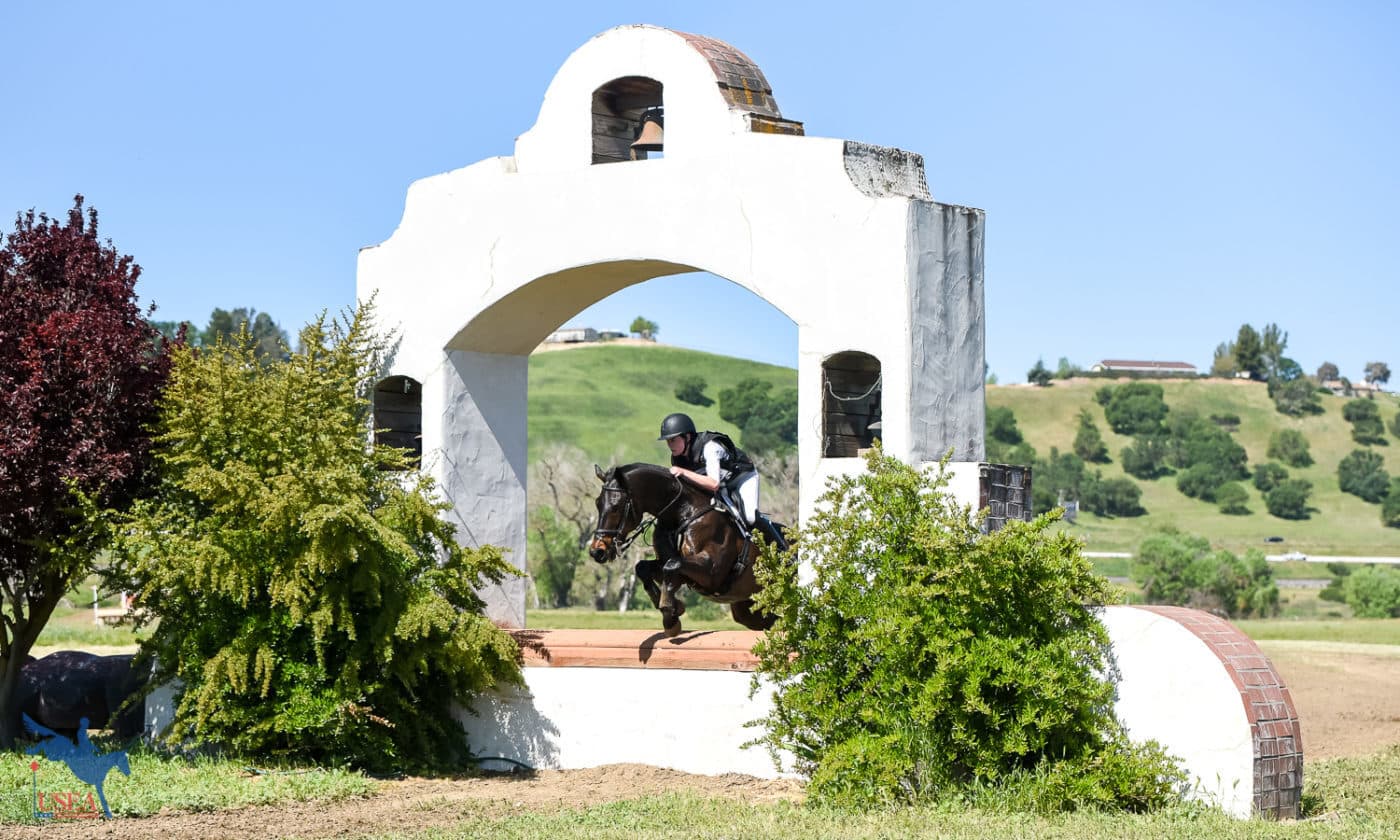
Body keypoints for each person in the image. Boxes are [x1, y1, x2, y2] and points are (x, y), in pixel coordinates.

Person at [657, 412, 759, 537]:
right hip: (722, 484)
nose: (670, 445)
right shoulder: (678, 457)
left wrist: (683, 472)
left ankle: (777, 540)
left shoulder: (710, 447)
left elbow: (713, 484)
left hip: (742, 478)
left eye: (673, 440)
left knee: (750, 517)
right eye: (668, 441)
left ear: (687, 437)